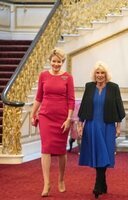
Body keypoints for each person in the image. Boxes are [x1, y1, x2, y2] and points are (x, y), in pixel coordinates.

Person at [77, 61, 125, 199]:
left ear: (106, 74)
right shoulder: (89, 87)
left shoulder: (113, 87)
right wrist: (80, 124)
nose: (100, 75)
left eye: (102, 72)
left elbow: (119, 106)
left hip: (107, 126)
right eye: (97, 72)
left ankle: (98, 185)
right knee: (97, 154)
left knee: (104, 154)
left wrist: (118, 126)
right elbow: (84, 105)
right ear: (94, 74)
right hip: (92, 125)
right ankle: (102, 183)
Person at [30, 48, 75, 197]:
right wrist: (33, 113)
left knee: (61, 150)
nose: (56, 64)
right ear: (50, 61)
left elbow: (71, 100)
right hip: (45, 116)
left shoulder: (68, 77)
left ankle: (61, 180)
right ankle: (46, 183)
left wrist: (69, 118)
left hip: (62, 118)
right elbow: (38, 97)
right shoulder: (43, 75)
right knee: (46, 148)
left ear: (62, 62)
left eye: (59, 62)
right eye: (54, 61)